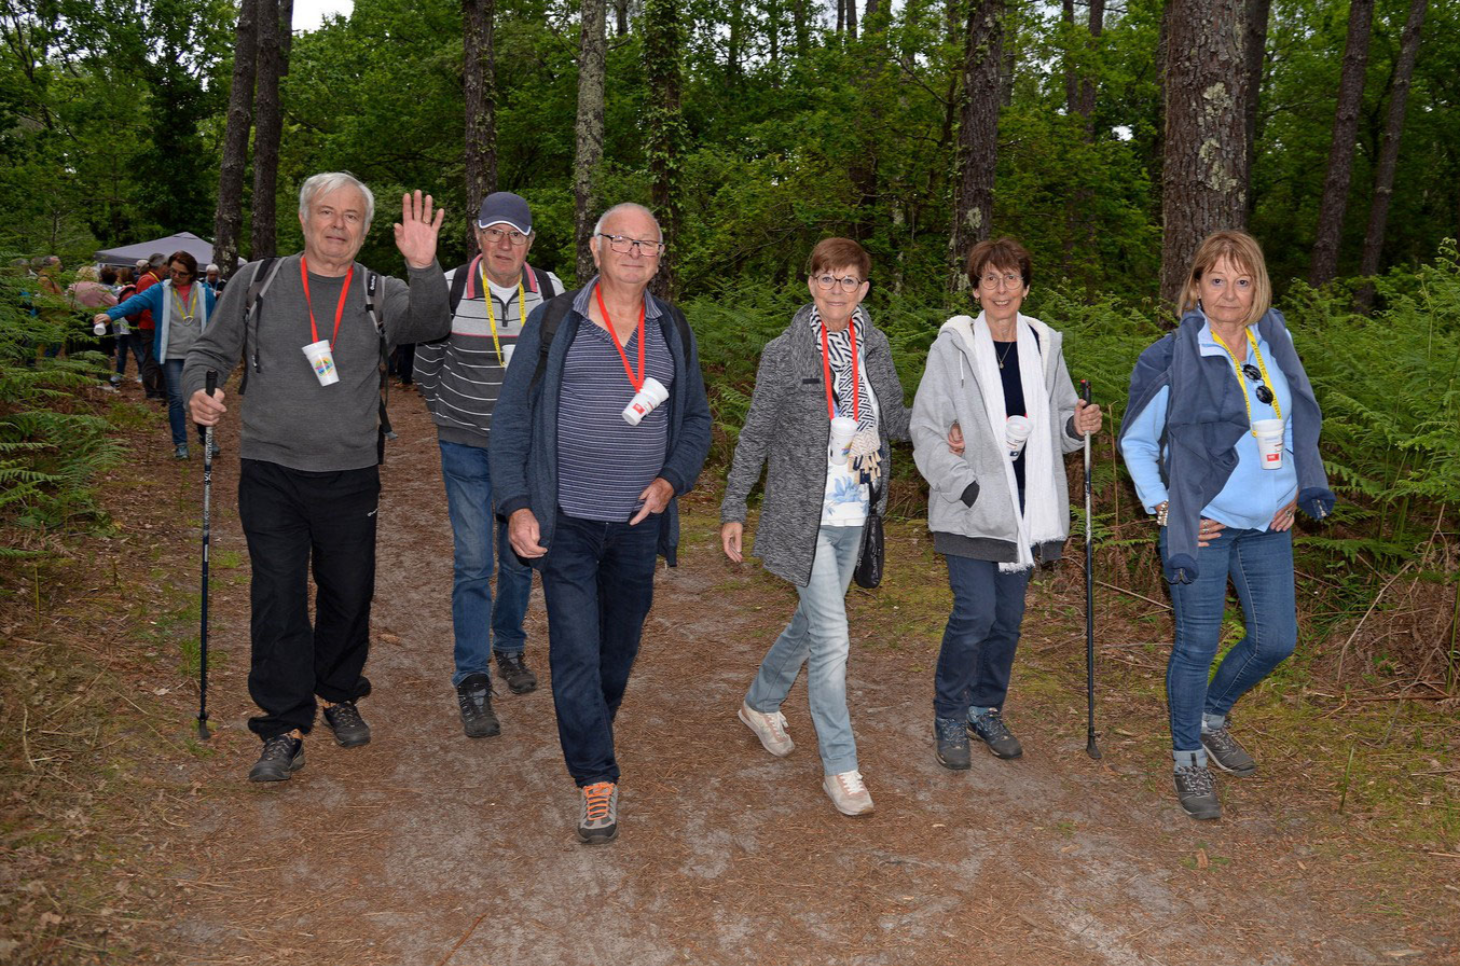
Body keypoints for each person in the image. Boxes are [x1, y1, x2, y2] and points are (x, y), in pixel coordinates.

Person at [184, 173, 450, 783]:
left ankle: (337, 691)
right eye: (327, 212)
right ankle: (282, 725)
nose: (338, 225)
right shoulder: (258, 282)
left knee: (348, 592)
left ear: (364, 229)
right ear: (304, 220)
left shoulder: (380, 293)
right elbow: (208, 353)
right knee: (277, 598)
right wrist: (199, 394)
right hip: (270, 469)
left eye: (352, 216)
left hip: (350, 470)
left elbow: (432, 323)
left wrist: (425, 267)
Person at [490, 202, 711, 844]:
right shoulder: (555, 321)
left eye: (647, 243)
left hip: (638, 523)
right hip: (568, 523)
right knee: (576, 651)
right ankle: (596, 778)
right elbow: (510, 423)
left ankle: (588, 725)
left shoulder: (672, 328)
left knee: (618, 651)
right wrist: (517, 503)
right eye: (622, 239)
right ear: (596, 247)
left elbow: (695, 421)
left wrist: (671, 480)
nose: (634, 252)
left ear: (659, 255)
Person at [1120, 230, 1333, 821]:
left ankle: (1213, 716)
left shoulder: (1276, 343)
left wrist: (1296, 484)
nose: (1230, 294)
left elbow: (1297, 423)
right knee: (1196, 643)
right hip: (1203, 526)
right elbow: (1136, 440)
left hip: (1268, 524)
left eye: (1242, 281)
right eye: (1217, 280)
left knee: (1276, 640)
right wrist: (1166, 507)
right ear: (1195, 286)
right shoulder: (1169, 356)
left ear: (1258, 287)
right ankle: (1187, 754)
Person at [720, 238, 912, 818]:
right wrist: (733, 507)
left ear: (864, 291)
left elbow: (898, 420)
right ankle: (841, 766)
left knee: (811, 622)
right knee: (833, 637)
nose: (837, 290)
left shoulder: (873, 347)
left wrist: (946, 428)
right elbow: (754, 434)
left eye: (849, 280)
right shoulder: (785, 353)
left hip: (857, 512)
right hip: (801, 519)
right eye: (827, 278)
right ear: (810, 284)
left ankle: (759, 702)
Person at [910, 237, 1101, 772]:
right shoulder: (953, 347)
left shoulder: (1044, 345)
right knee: (975, 614)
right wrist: (966, 487)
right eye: (989, 279)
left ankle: (984, 707)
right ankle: (949, 713)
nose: (1001, 288)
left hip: (1026, 510)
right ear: (975, 289)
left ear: (1025, 286)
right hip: (971, 506)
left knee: (1008, 620)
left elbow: (1063, 424)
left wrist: (1076, 423)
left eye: (1011, 277)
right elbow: (925, 428)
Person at [415, 191, 564, 738]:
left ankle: (509, 646)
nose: (505, 243)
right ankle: (471, 678)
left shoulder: (552, 293)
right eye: (494, 231)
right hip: (466, 446)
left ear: (530, 242)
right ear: (477, 236)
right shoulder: (450, 287)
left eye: (516, 233)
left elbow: (560, 369)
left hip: (525, 455)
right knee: (475, 561)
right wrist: (451, 419)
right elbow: (426, 364)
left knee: (520, 556)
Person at [97, 251, 219, 458]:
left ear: (191, 274)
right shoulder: (159, 290)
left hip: (198, 355)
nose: (175, 276)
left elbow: (216, 319)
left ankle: (204, 436)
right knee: (177, 398)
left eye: (181, 273)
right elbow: (134, 303)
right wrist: (110, 315)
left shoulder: (204, 292)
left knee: (200, 398)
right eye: (172, 271)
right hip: (171, 353)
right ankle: (181, 444)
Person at [133, 254, 167, 400]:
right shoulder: (149, 280)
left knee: (157, 359)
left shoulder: (152, 279)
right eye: (167, 265)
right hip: (150, 326)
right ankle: (152, 391)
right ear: (161, 266)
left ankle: (160, 390)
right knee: (151, 359)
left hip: (153, 325)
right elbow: (147, 307)